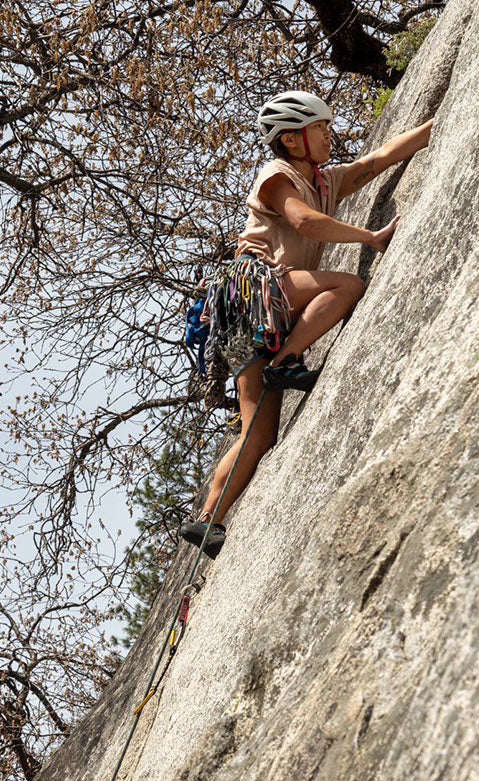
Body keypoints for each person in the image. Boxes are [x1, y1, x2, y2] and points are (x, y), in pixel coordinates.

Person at [180, 91, 433, 558]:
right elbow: (304, 221)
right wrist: (369, 238)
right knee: (347, 286)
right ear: (293, 140)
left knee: (258, 432)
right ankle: (288, 358)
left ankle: (207, 520)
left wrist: (436, 125)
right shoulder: (278, 177)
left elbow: (377, 160)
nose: (328, 135)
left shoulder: (324, 180)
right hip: (255, 291)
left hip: (251, 320)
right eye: (319, 128)